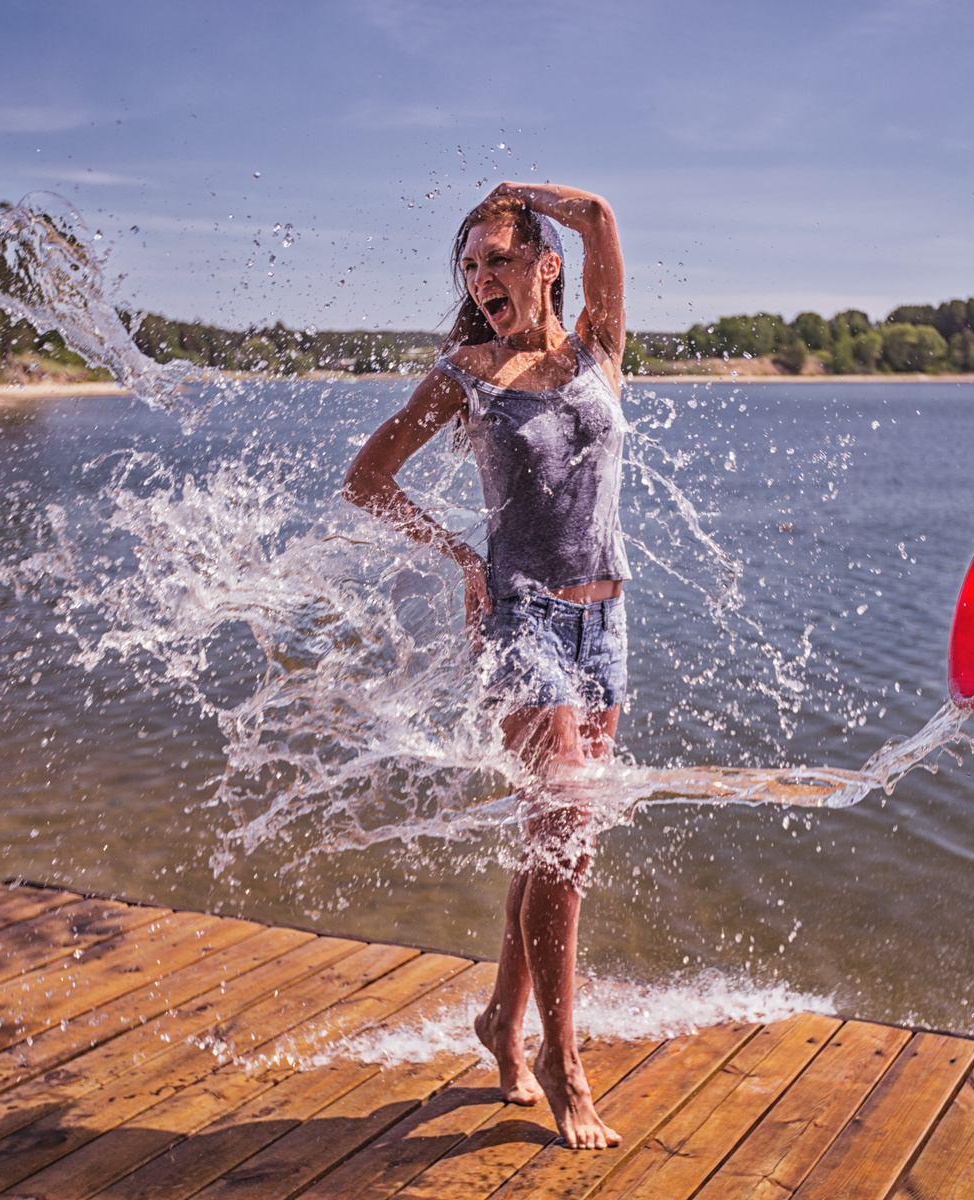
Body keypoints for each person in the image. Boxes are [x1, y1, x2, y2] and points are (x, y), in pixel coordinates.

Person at [342, 182, 630, 1150]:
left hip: (606, 624)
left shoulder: (596, 351)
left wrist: (518, 193)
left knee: (556, 841)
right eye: (469, 265)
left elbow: (599, 217)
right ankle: (561, 1058)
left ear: (546, 266)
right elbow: (367, 478)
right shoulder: (463, 373)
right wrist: (463, 558)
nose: (480, 279)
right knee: (566, 836)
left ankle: (501, 1020)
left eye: (498, 258)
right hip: (521, 621)